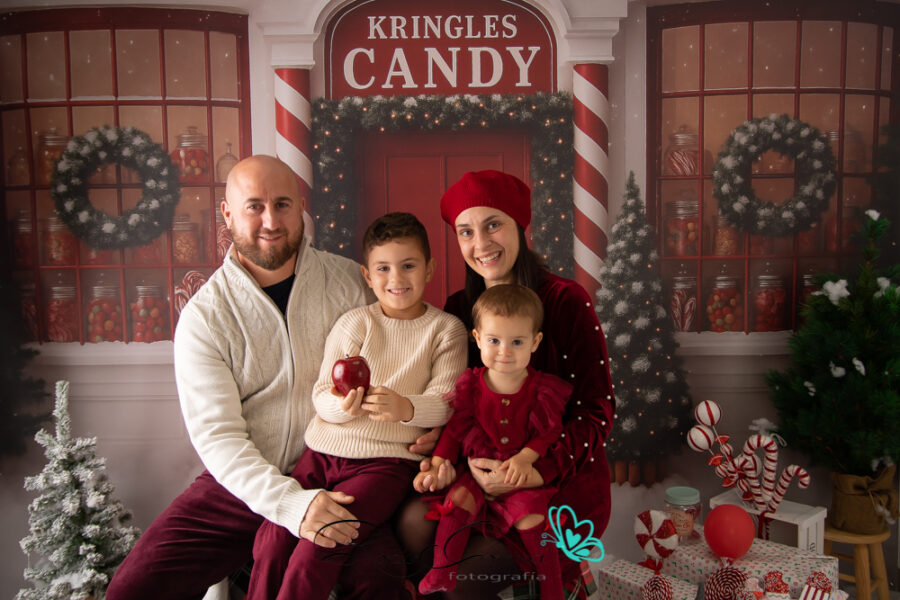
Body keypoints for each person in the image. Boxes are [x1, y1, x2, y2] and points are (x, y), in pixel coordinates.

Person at [107, 156, 423, 599]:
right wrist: (290, 503)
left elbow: (409, 354)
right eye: (254, 206)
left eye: (282, 204)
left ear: (301, 207)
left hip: (344, 471)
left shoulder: (352, 283)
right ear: (228, 213)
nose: (271, 221)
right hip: (245, 483)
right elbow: (218, 437)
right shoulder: (206, 316)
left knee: (376, 579)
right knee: (132, 590)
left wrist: (423, 425)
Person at [397, 169, 616, 598]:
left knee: (467, 577)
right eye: (466, 231)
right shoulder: (460, 309)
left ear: (518, 225)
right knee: (410, 527)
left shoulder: (566, 301)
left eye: (493, 224)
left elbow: (598, 412)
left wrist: (536, 471)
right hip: (479, 473)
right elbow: (463, 403)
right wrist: (443, 448)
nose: (480, 243)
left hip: (556, 480)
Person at [246, 212, 468, 599]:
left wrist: (405, 408)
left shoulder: (445, 330)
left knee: (322, 542)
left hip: (385, 464)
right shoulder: (355, 324)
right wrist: (343, 407)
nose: (396, 278)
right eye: (383, 268)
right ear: (367, 275)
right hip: (320, 456)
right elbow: (322, 395)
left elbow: (446, 403)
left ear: (429, 269)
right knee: (273, 538)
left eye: (409, 266)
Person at [415, 284, 570, 599]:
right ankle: (443, 570)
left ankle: (552, 587)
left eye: (517, 342)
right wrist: (439, 461)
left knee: (532, 516)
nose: (504, 351)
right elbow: (456, 430)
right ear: (477, 338)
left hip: (519, 475)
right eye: (494, 341)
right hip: (477, 471)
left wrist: (526, 458)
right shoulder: (472, 385)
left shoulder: (541, 389)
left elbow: (549, 432)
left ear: (535, 342)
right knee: (456, 502)